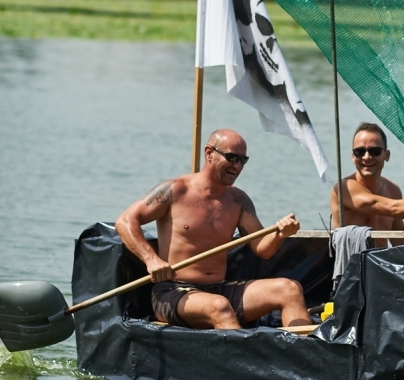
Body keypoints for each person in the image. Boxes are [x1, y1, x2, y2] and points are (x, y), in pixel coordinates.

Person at [115, 128, 311, 329]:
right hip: (173, 292)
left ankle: (302, 357)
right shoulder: (175, 189)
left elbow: (263, 249)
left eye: (243, 160)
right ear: (209, 153)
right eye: (232, 157)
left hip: (219, 289)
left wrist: (280, 234)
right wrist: (151, 260)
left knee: (290, 289)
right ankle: (246, 360)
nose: (237, 166)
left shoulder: (239, 201)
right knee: (219, 306)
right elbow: (125, 221)